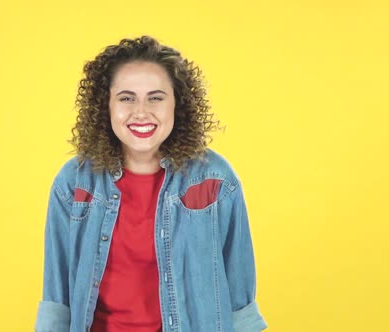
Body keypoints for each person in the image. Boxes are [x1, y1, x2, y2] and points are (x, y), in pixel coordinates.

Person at [34, 35, 267, 332]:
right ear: (105, 105)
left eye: (156, 97)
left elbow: (239, 298)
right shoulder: (74, 182)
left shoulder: (216, 180)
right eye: (126, 98)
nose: (141, 112)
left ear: (177, 105)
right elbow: (58, 297)